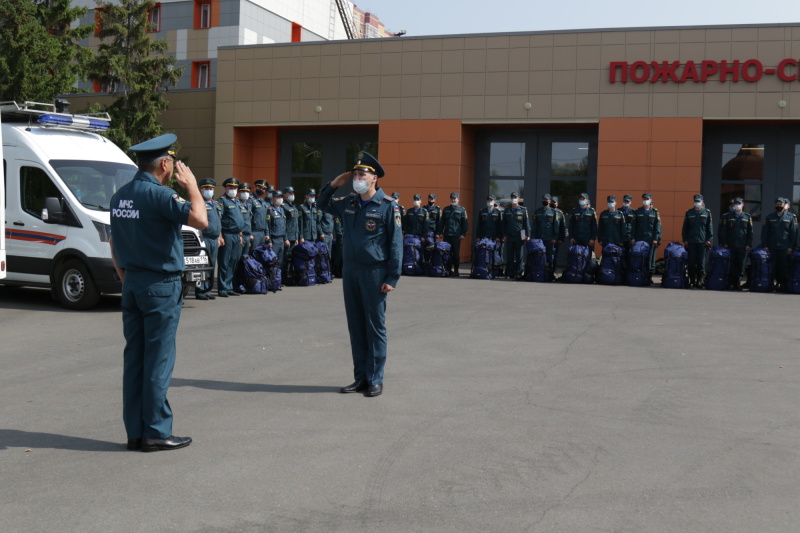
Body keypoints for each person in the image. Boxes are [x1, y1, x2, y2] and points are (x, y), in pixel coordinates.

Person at [109, 133, 207, 452]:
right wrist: (191, 185)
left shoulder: (120, 196)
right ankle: (155, 431)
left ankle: (135, 433)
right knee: (158, 360)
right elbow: (201, 220)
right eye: (173, 162)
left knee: (135, 359)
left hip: (133, 283)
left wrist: (127, 276)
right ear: (165, 163)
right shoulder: (162, 196)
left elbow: (112, 242)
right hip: (160, 286)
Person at [318, 152, 402, 397]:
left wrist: (392, 278)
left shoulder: (388, 206)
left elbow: (396, 244)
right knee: (356, 326)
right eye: (354, 174)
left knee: (375, 327)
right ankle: (361, 378)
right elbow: (320, 204)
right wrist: (334, 184)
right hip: (351, 271)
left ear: (373, 178)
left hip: (375, 273)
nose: (357, 178)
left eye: (361, 174)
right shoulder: (349, 203)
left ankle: (375, 378)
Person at [761, 197, 798, 292]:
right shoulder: (770, 217)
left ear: (784, 205)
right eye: (777, 204)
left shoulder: (790, 217)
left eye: (780, 204)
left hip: (784, 247)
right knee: (772, 267)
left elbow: (793, 233)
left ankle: (781, 284)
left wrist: (791, 246)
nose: (779, 206)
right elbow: (765, 232)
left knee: (783, 267)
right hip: (772, 247)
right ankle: (771, 285)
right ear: (774, 205)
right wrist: (765, 245)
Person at [216, 177, 245, 297]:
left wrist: (240, 234)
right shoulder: (222, 201)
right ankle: (222, 288)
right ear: (225, 188)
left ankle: (229, 286)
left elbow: (239, 220)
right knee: (224, 262)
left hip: (236, 235)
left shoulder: (237, 202)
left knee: (233, 261)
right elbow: (218, 220)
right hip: (226, 234)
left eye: (235, 187)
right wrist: (220, 236)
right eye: (230, 187)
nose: (233, 189)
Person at [195, 178, 222, 300]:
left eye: (211, 189)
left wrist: (220, 236)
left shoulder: (216, 204)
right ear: (201, 190)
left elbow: (218, 222)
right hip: (204, 237)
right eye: (206, 188)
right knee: (203, 265)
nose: (209, 191)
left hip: (214, 238)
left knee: (211, 265)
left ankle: (207, 289)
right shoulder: (199, 203)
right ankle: (200, 290)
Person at [718, 196, 753, 290]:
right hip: (730, 244)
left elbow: (750, 232)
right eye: (736, 204)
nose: (737, 205)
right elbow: (723, 231)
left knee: (740, 265)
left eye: (739, 204)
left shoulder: (747, 216)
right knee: (730, 264)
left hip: (742, 245)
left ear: (743, 205)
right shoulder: (728, 216)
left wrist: (748, 244)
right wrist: (724, 242)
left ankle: (737, 283)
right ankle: (730, 283)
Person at [681, 194, 713, 288]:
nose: (697, 203)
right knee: (691, 262)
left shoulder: (707, 213)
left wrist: (709, 239)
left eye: (699, 201)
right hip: (691, 241)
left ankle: (700, 281)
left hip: (702, 242)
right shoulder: (689, 212)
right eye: (696, 201)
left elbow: (709, 228)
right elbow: (685, 228)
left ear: (702, 202)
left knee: (700, 263)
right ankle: (692, 280)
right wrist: (685, 239)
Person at [437, 192, 469, 276]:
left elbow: (465, 223)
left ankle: (456, 270)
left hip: (456, 236)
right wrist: (440, 232)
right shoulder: (446, 209)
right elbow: (442, 222)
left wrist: (463, 234)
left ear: (458, 199)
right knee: (447, 253)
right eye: (452, 198)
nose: (453, 200)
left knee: (455, 254)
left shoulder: (462, 210)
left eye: (455, 198)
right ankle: (448, 269)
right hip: (447, 234)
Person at [631, 192, 662, 278]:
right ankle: (640, 276)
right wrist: (633, 238)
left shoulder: (655, 212)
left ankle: (648, 277)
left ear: (651, 200)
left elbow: (657, 227)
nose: (645, 201)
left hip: (650, 239)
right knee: (640, 258)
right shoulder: (638, 211)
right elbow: (634, 226)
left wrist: (656, 238)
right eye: (644, 199)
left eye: (647, 199)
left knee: (649, 259)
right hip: (639, 239)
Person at [502, 192, 530, 278]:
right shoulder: (507, 210)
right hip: (509, 236)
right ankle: (510, 273)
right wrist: (503, 235)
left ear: (518, 199)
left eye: (515, 197)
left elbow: (526, 224)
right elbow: (503, 224)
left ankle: (518, 272)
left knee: (519, 256)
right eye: (512, 197)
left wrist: (528, 235)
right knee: (509, 256)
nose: (514, 199)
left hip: (519, 236)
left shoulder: (523, 210)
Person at [533, 193, 561, 278]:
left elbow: (556, 227)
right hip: (539, 239)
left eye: (546, 200)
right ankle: (540, 273)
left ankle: (550, 274)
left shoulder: (553, 212)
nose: (545, 201)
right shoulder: (537, 212)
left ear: (549, 201)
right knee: (539, 256)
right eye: (543, 199)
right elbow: (534, 226)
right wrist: (533, 238)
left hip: (549, 239)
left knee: (549, 257)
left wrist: (555, 238)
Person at [248, 180, 271, 253]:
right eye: (260, 187)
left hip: (262, 233)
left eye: (263, 189)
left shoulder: (263, 201)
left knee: (260, 255)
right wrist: (250, 233)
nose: (261, 190)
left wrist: (267, 233)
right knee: (253, 255)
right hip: (254, 232)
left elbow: (266, 219)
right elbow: (248, 218)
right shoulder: (250, 200)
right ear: (255, 187)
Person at [267, 190, 287, 275]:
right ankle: (272, 280)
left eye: (281, 197)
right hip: (274, 239)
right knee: (273, 261)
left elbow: (284, 226)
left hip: (281, 239)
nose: (280, 199)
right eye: (278, 197)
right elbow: (267, 226)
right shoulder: (270, 210)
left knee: (280, 261)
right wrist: (269, 241)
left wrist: (285, 239)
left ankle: (278, 280)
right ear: (273, 199)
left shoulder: (282, 210)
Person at [282, 186, 300, 275]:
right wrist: (285, 238)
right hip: (288, 237)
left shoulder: (293, 206)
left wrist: (297, 237)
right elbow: (283, 224)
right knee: (285, 258)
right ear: (285, 195)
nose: (292, 195)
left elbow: (295, 223)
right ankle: (283, 277)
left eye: (293, 193)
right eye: (290, 193)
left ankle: (289, 276)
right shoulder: (284, 207)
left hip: (293, 237)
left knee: (291, 258)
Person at [549, 195, 568, 277]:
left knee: (554, 256)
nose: (553, 203)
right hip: (547, 237)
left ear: (557, 204)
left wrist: (562, 238)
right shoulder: (547, 211)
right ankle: (545, 272)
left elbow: (562, 227)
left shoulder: (560, 213)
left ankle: (552, 271)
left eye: (554, 202)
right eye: (552, 202)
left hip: (556, 239)